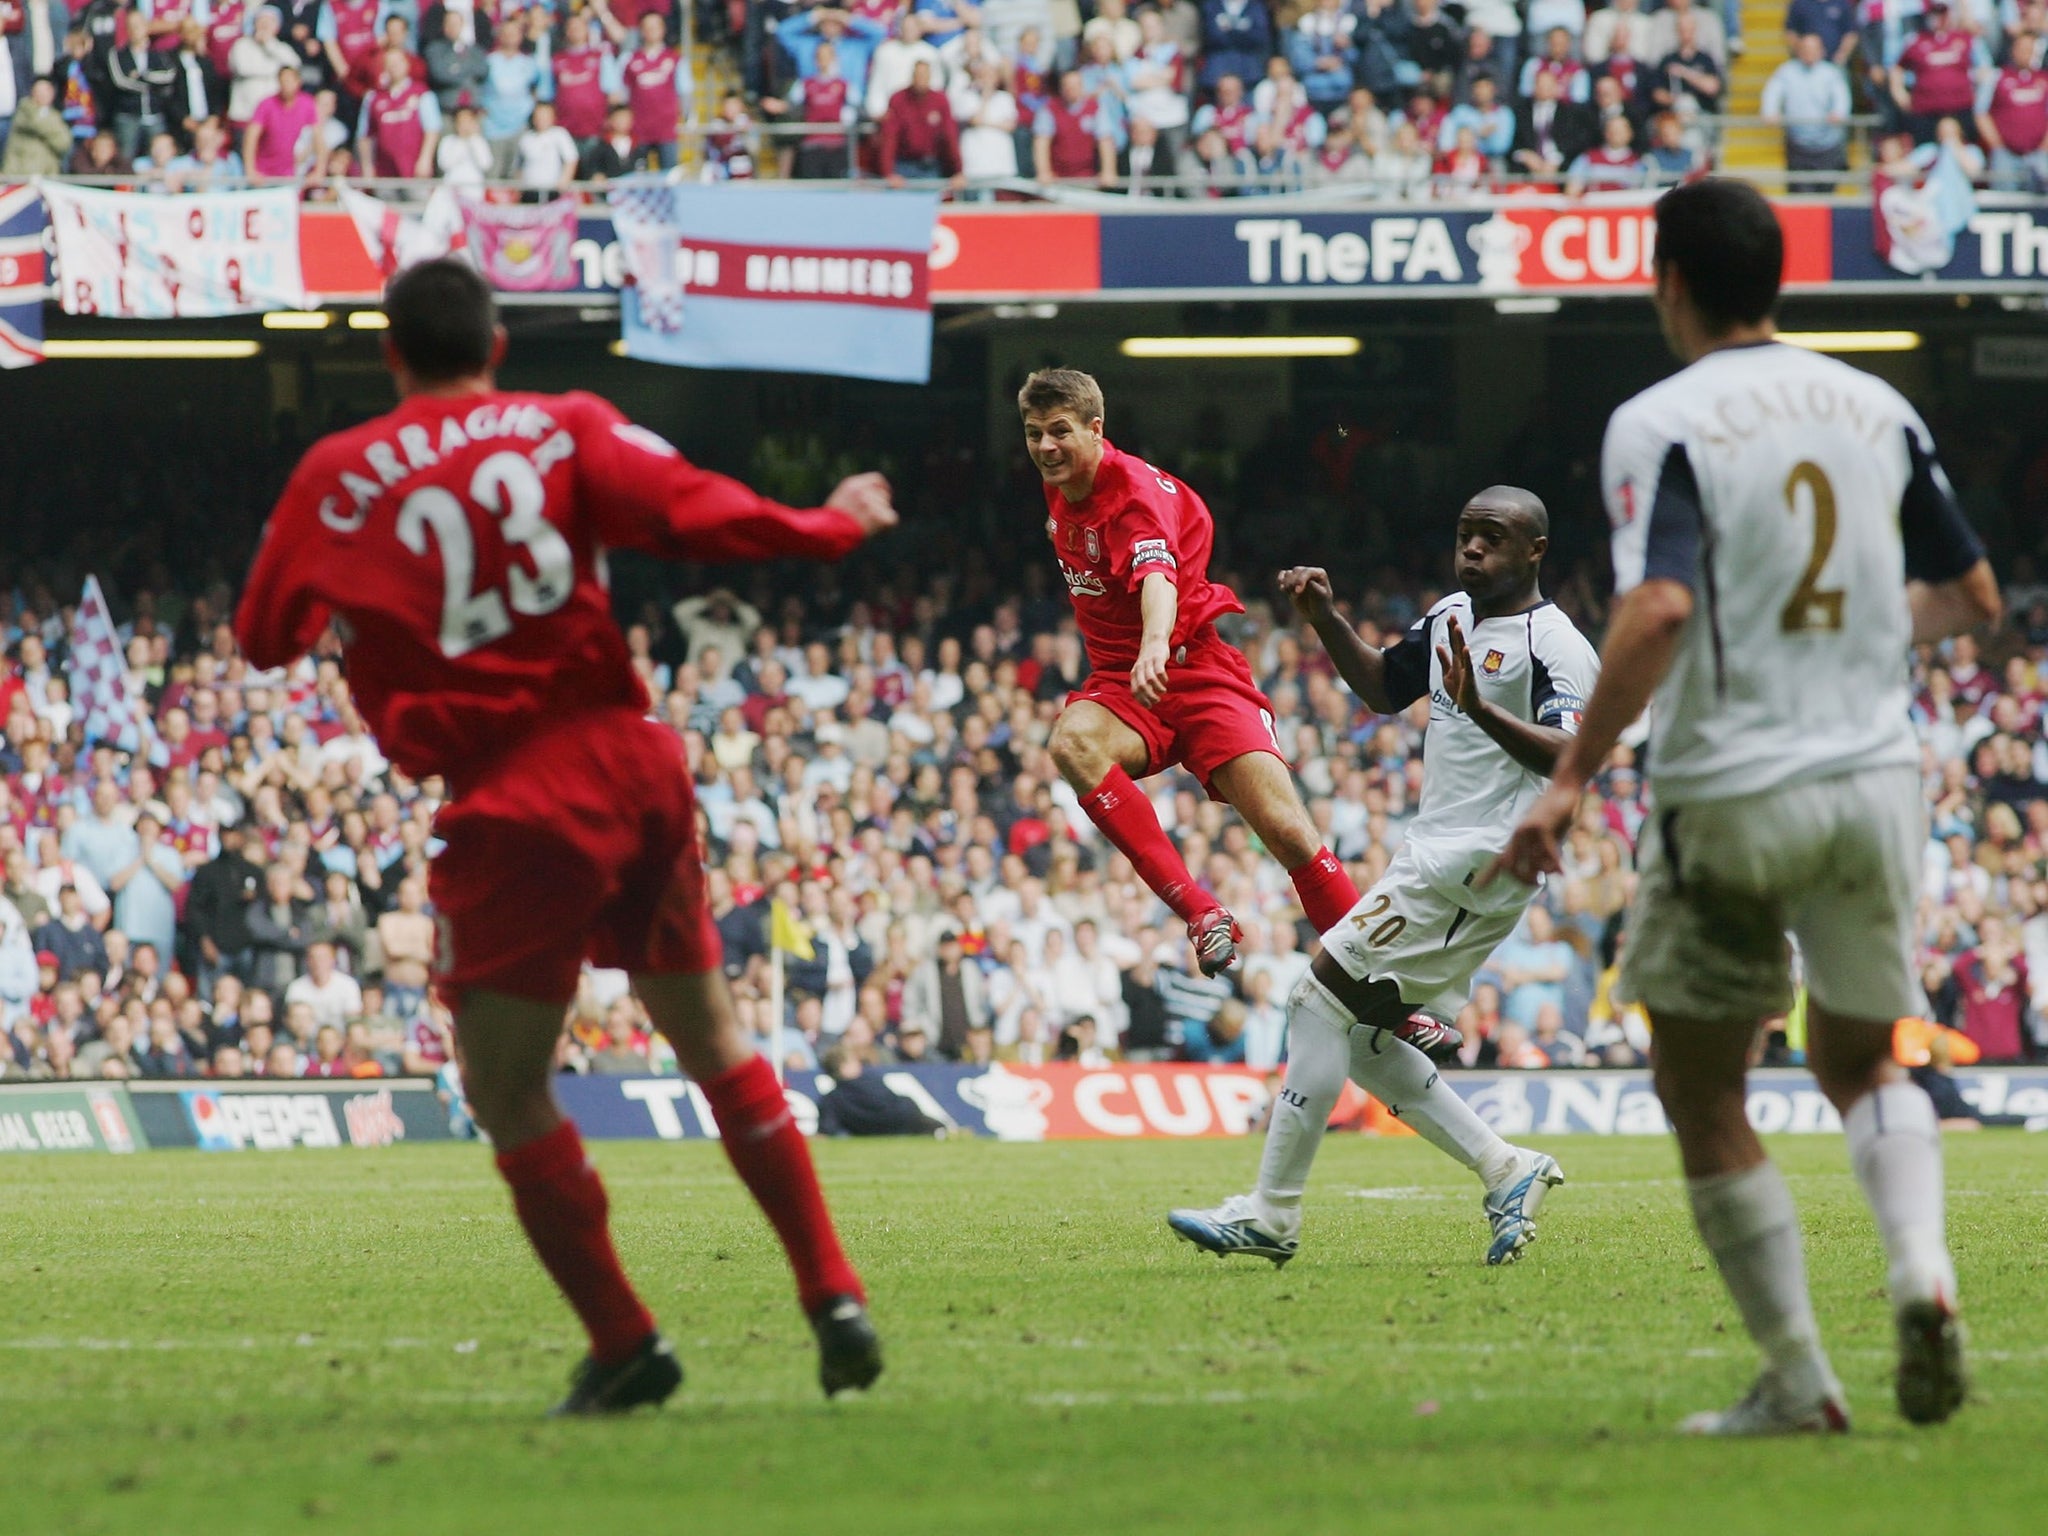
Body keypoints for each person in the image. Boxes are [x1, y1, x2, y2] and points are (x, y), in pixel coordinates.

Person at [234, 258, 896, 1416]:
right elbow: (697, 511)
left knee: (506, 1088)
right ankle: (832, 1291)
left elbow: (259, 638)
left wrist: (360, 610)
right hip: (634, 760)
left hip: (512, 797)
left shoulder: (336, 476)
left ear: (390, 354)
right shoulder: (563, 424)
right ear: (496, 346)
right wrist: (826, 525)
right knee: (714, 1040)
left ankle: (627, 1342)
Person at [1496, 177, 2001, 1435]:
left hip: (1730, 787)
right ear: (1779, 277)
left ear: (1665, 282)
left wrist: (1567, 781)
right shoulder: (1872, 404)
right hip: (1874, 779)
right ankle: (1919, 1276)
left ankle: (1796, 1377)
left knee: (1699, 1079)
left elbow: (1659, 605)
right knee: (1860, 1051)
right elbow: (1973, 595)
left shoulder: (1660, 420)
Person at [1168, 486, 1598, 1269]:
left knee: (1314, 998)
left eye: (1492, 539)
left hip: (1482, 861)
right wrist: (1327, 619)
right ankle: (1506, 1167)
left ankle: (1272, 1214)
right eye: (1466, 535)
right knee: (1359, 1034)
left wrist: (1482, 709)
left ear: (1535, 550)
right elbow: (1381, 687)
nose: (1472, 550)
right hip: (1436, 852)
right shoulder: (1448, 617)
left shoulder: (1556, 644)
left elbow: (1575, 758)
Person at [1021, 368, 1371, 981]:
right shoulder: (1062, 484)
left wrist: (1155, 642)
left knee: (1288, 833)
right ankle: (1202, 913)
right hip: (1126, 684)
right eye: (1033, 434)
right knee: (1071, 742)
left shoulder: (1131, 494)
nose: (1045, 447)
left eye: (1059, 432)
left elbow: (1157, 575)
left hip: (1191, 667)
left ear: (1096, 430)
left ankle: (1393, 992)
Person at [1762, 31, 1852, 175]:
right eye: (1805, 49)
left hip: (1827, 142)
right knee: (1799, 191)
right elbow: (1772, 92)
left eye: (1813, 49)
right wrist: (1770, 112)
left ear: (1821, 51)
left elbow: (1841, 97)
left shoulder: (1831, 73)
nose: (1809, 53)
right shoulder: (1787, 71)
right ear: (1798, 51)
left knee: (1826, 191)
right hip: (1797, 142)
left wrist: (1839, 113)